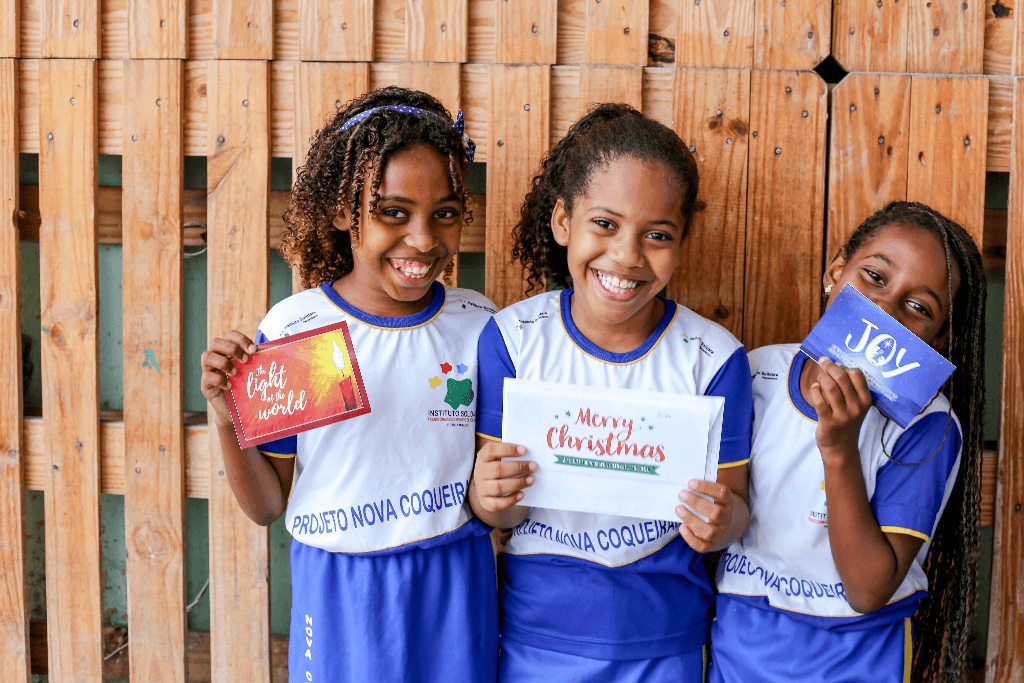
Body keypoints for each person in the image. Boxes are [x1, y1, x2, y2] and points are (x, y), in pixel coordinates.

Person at [199, 87, 498, 683]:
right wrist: (228, 417)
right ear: (342, 211)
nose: (423, 239)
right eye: (393, 212)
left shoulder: (479, 325)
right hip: (339, 587)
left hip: (454, 576)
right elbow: (266, 506)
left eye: (443, 213)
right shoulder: (300, 330)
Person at [468, 103, 754, 682]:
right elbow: (501, 511)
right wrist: (488, 496)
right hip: (534, 639)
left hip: (664, 642)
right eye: (605, 224)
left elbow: (735, 512)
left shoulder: (714, 359)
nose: (627, 255)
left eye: (657, 235)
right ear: (562, 221)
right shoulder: (513, 341)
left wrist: (723, 523)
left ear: (681, 242)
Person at [709, 202, 986, 683]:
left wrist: (839, 450)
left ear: (938, 341)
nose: (884, 310)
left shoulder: (928, 426)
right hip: (741, 644)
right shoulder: (755, 375)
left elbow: (867, 590)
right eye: (874, 277)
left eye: (919, 308)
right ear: (835, 271)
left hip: (859, 659)